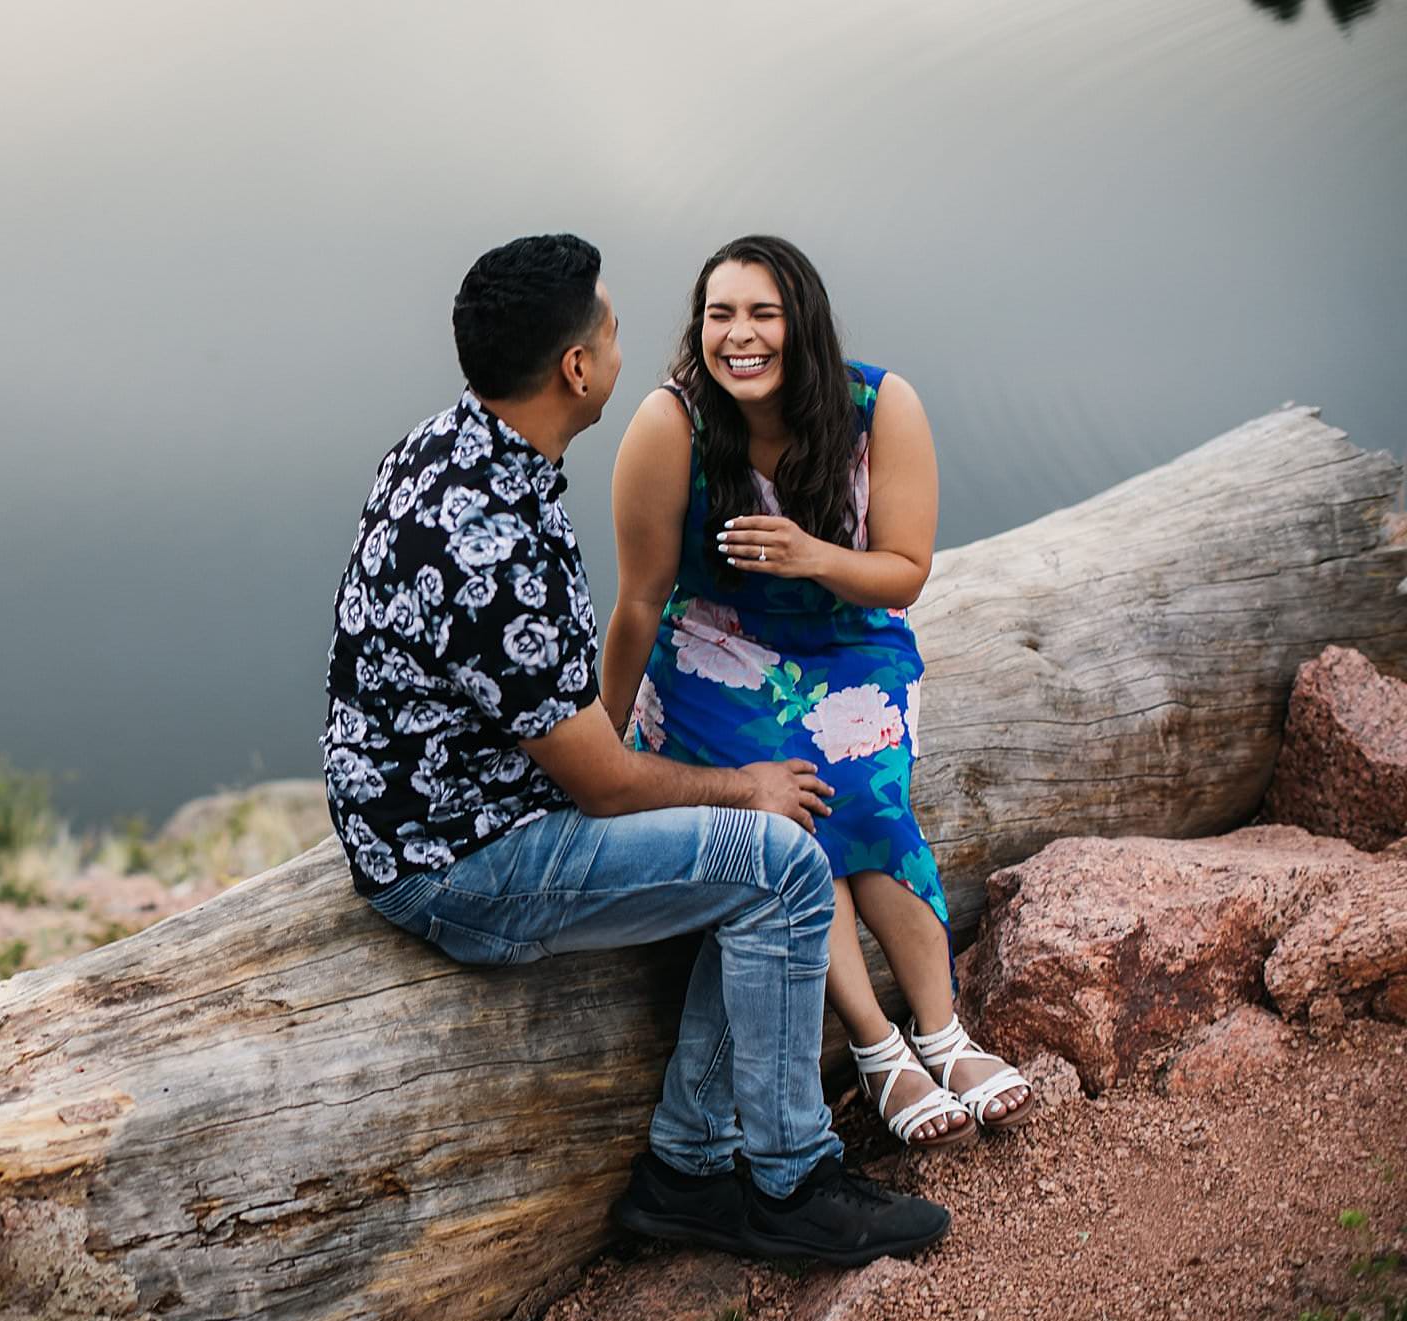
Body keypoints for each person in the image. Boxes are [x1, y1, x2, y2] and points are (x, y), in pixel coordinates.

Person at [322, 232, 949, 1264]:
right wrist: (743, 783)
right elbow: (604, 785)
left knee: (728, 851)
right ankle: (788, 1181)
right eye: (610, 327)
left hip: (431, 806)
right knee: (780, 864)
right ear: (575, 369)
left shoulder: (450, 445)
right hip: (468, 862)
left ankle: (686, 1167)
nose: (625, 342)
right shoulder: (494, 551)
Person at [600, 235, 1034, 1150]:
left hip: (848, 637)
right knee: (790, 804)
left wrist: (811, 555)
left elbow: (905, 572)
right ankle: (880, 1050)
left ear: (803, 321)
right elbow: (640, 598)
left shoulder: (879, 407)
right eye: (721, 315)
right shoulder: (671, 423)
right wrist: (604, 743)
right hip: (716, 648)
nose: (740, 336)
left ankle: (944, 1031)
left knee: (871, 793)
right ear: (699, 326)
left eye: (763, 313)